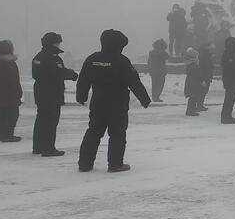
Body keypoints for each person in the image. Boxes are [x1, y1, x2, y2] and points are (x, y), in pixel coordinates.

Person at [76, 30, 151, 172]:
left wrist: (81, 96)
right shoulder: (122, 60)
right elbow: (134, 81)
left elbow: (83, 80)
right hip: (117, 104)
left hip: (98, 103)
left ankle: (84, 164)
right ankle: (115, 164)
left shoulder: (92, 59)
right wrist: (144, 99)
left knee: (93, 132)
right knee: (117, 133)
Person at [31, 32, 79, 156]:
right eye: (57, 42)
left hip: (41, 92)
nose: (59, 45)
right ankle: (48, 148)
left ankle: (38, 146)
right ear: (53, 43)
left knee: (41, 119)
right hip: (51, 94)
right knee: (50, 122)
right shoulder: (52, 57)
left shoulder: (38, 56)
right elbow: (58, 73)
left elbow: (36, 75)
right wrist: (73, 74)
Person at [0, 40, 23, 143]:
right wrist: (17, 92)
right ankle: (7, 134)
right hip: (9, 94)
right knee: (11, 114)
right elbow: (12, 80)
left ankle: (2, 134)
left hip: (1, 93)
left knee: (2, 114)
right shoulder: (6, 63)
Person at [219, 36, 235, 124]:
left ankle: (228, 115)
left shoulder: (231, 52)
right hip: (230, 78)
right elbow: (230, 66)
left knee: (231, 97)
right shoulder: (229, 53)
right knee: (229, 98)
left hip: (231, 78)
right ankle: (225, 116)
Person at [183, 48, 201, 116]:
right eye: (196, 56)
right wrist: (200, 79)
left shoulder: (191, 63)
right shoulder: (192, 64)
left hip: (192, 82)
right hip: (193, 82)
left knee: (194, 96)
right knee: (193, 96)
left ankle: (191, 110)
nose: (197, 57)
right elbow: (195, 73)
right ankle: (190, 111)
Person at [197, 44, 213, 112]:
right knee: (202, 92)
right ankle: (199, 105)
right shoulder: (204, 57)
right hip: (205, 77)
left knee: (203, 92)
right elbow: (203, 69)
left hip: (206, 77)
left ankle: (200, 105)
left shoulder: (203, 57)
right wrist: (203, 79)